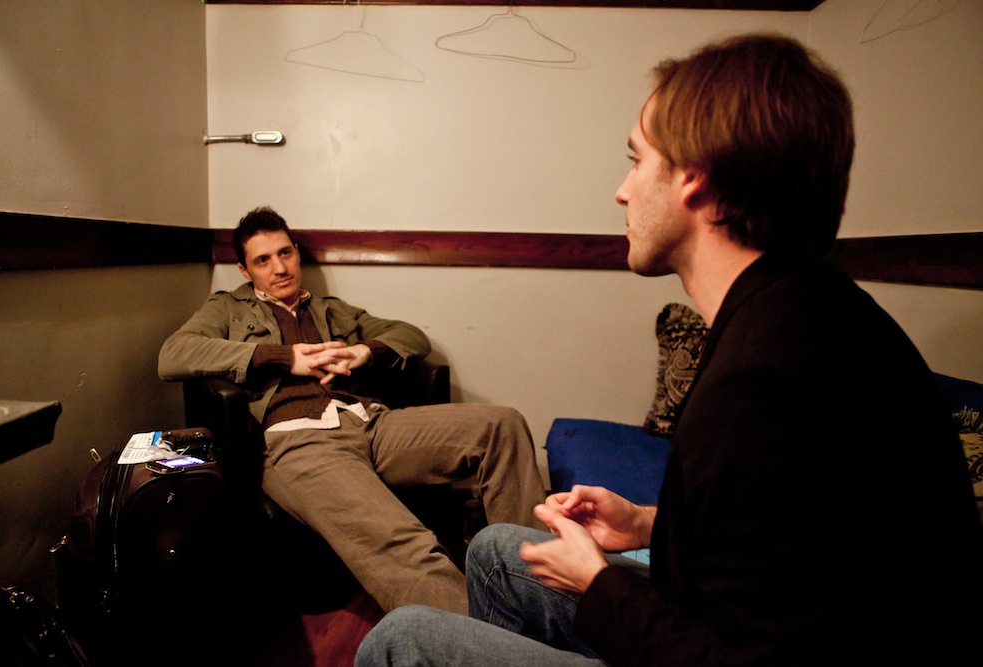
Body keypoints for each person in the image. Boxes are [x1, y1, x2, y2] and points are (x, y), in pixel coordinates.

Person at [354, 33, 983, 665]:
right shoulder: (805, 306)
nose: (623, 191)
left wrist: (597, 584)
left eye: (637, 160)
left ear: (694, 178)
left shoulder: (763, 384)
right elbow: (786, 542)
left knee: (401, 640)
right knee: (498, 552)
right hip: (767, 622)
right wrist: (645, 522)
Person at [158, 206, 548, 616]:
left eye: (285, 253)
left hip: (369, 422)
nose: (280, 268)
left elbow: (412, 336)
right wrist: (284, 357)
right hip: (299, 441)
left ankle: (538, 592)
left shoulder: (330, 309)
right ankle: (488, 643)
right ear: (244, 269)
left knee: (501, 424)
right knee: (406, 545)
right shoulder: (228, 309)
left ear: (296, 252)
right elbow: (173, 355)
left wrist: (364, 351)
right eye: (263, 260)